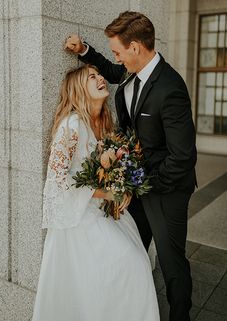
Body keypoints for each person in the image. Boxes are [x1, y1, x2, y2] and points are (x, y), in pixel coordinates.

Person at [64, 11, 197, 321]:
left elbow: (182, 158)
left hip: (167, 188)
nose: (116, 58)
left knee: (171, 262)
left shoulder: (171, 89)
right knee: (129, 248)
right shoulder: (130, 71)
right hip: (137, 183)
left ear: (136, 47)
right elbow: (112, 71)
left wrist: (140, 184)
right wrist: (85, 51)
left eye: (118, 51)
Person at [32, 64, 160, 321]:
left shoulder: (104, 124)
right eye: (92, 77)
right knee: (127, 264)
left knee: (137, 262)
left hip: (105, 212)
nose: (101, 78)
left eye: (100, 75)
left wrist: (122, 187)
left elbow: (111, 170)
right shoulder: (71, 125)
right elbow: (57, 180)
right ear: (79, 89)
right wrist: (107, 194)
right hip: (79, 217)